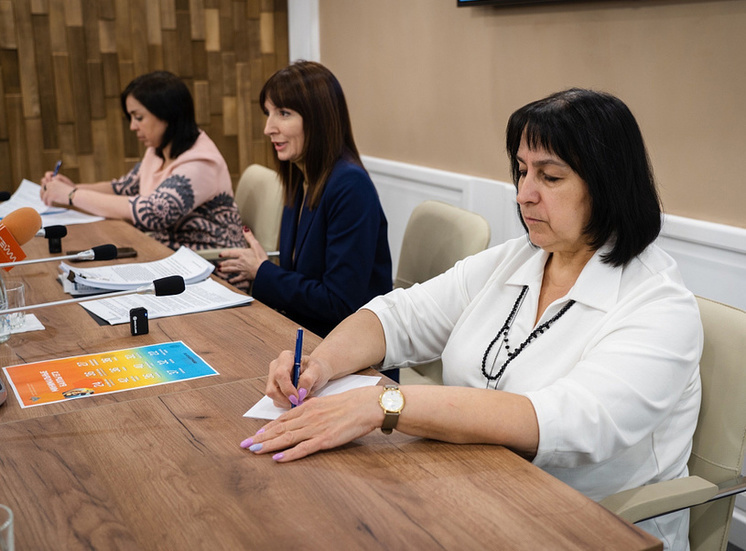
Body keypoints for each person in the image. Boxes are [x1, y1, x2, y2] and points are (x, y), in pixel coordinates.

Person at [241, 89, 703, 550]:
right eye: (522, 171)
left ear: (608, 186)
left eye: (551, 177)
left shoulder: (660, 305)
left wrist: (384, 406)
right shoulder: (521, 256)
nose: (524, 194)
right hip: (472, 491)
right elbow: (399, 316)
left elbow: (563, 421)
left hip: (585, 527)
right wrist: (320, 366)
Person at [218, 61, 392, 339]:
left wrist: (263, 273)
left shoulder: (351, 186)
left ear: (318, 119)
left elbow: (340, 304)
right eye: (268, 113)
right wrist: (259, 272)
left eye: (283, 113)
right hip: (306, 335)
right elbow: (306, 278)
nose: (268, 128)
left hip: (352, 352)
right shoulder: (300, 177)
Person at [40, 71, 244, 252]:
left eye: (138, 117)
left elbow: (153, 212)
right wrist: (70, 188)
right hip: (168, 255)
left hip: (214, 267)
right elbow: (122, 188)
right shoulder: (157, 151)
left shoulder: (201, 162)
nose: (132, 127)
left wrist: (72, 195)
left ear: (168, 115)